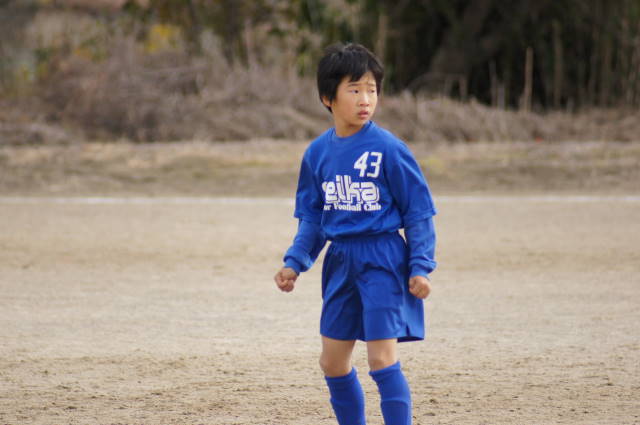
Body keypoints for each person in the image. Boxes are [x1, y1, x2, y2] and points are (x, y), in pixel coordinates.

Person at [273, 42, 437, 425]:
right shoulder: (317, 154)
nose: (366, 99)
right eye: (354, 89)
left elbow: (418, 213)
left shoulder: (390, 149)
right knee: (332, 362)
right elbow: (313, 219)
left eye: (372, 90)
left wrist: (420, 266)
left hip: (383, 258)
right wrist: (294, 262)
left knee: (381, 359)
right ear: (327, 98)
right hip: (340, 261)